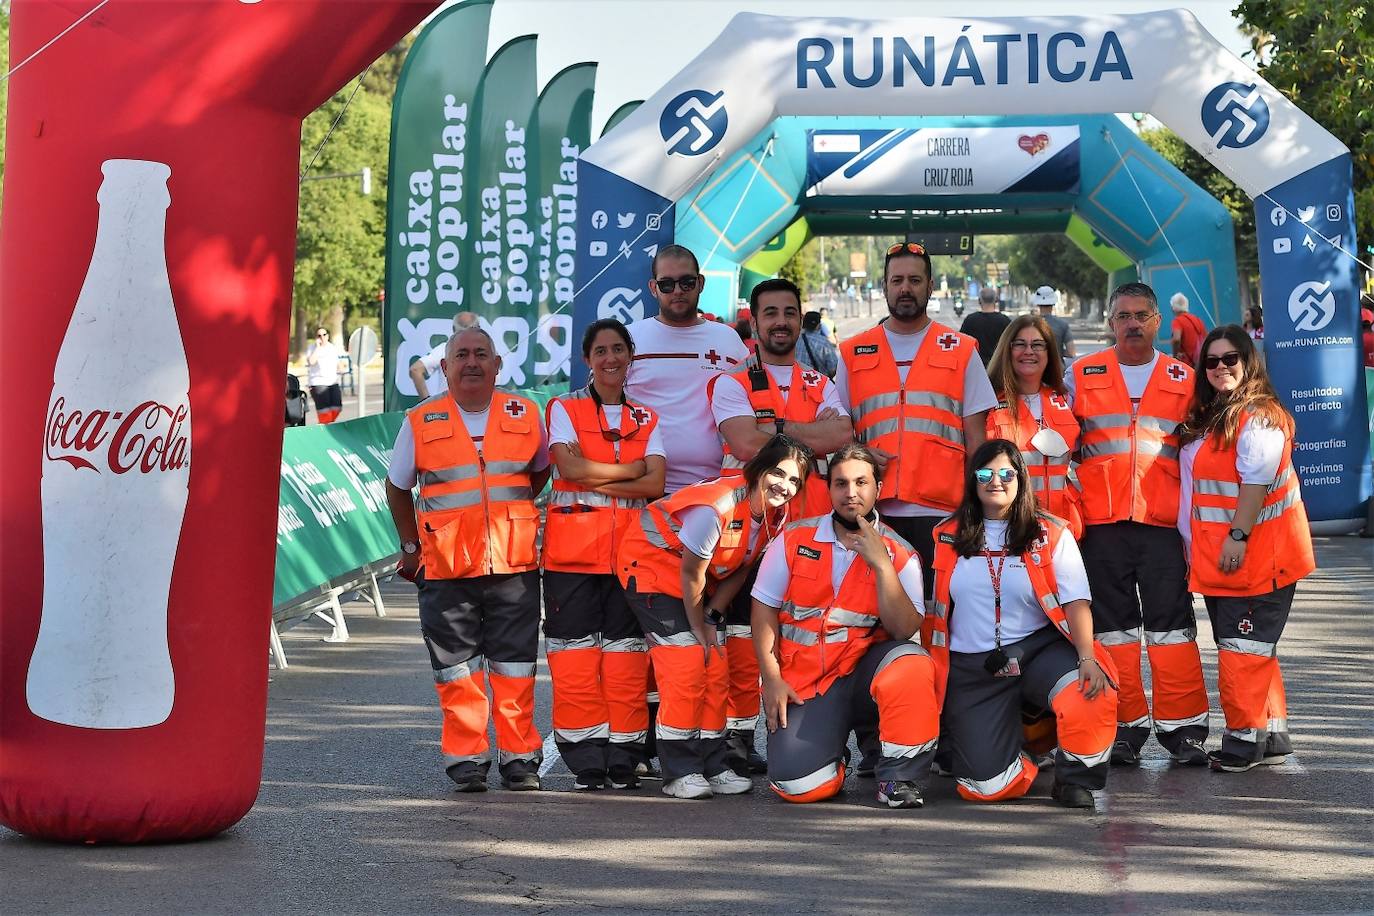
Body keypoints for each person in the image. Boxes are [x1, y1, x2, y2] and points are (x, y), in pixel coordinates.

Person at [385, 327, 552, 792]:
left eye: (482, 354)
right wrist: (411, 546)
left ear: (498, 365)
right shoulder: (421, 419)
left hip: (514, 564)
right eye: (462, 355)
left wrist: (504, 517)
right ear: (445, 368)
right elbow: (398, 487)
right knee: (457, 669)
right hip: (445, 566)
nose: (472, 362)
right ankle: (467, 760)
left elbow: (539, 472)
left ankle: (520, 760)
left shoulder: (525, 412)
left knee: (515, 667)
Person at [707, 278, 853, 774]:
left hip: (812, 534)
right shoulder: (733, 382)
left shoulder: (821, 381)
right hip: (748, 534)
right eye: (771, 313)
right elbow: (745, 445)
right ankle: (739, 737)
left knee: (811, 635)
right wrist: (804, 435)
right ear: (755, 319)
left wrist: (780, 429)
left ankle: (820, 728)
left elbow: (841, 433)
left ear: (799, 317)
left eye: (789, 312)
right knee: (746, 640)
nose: (781, 322)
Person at [615, 435, 813, 799]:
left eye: (795, 481)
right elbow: (692, 574)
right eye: (778, 474)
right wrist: (699, 626)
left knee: (716, 667)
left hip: (695, 585)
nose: (785, 487)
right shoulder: (716, 507)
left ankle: (713, 764)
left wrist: (714, 613)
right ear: (758, 470)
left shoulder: (775, 514)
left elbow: (743, 565)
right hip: (651, 571)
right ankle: (680, 772)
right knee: (688, 664)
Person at [925, 439, 1118, 808]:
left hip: (1037, 652)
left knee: (1093, 692)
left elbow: (1077, 602)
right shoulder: (944, 535)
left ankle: (1074, 779)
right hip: (973, 666)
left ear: (1021, 479)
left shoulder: (1053, 533)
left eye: (1006, 474)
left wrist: (1087, 658)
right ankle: (1024, 748)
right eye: (985, 473)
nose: (995, 481)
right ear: (972, 480)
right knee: (984, 788)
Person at [1066, 282, 1210, 766]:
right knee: (1114, 632)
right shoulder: (1080, 374)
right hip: (1101, 526)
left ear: (1157, 322)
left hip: (1162, 525)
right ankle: (1124, 729)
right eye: (1123, 315)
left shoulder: (1184, 378)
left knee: (1172, 629)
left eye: (1141, 315)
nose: (1131, 323)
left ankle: (1183, 730)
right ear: (1111, 322)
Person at [751, 442, 939, 808]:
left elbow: (904, 630)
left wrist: (881, 564)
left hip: (865, 675)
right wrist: (771, 678)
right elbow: (763, 610)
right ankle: (832, 748)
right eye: (840, 483)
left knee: (912, 663)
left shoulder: (900, 553)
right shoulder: (793, 539)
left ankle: (897, 778)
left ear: (877, 490)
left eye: (861, 483)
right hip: (809, 682)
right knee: (799, 786)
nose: (850, 493)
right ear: (829, 489)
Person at [1178, 326, 1314, 772]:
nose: (1220, 368)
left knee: (1242, 649)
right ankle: (1271, 733)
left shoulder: (1259, 417)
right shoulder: (1214, 413)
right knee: (1251, 649)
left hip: (1256, 557)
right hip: (1223, 559)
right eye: (1212, 362)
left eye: (1230, 359)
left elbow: (1254, 485)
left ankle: (1242, 742)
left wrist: (1237, 536)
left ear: (1248, 361)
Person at [543, 319, 667, 791]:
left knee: (627, 659)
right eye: (601, 351)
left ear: (630, 355)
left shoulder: (647, 417)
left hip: (630, 557)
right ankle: (585, 758)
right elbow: (567, 469)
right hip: (571, 558)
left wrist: (598, 473)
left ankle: (625, 754)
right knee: (575, 659)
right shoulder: (564, 407)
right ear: (587, 359)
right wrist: (628, 467)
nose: (610, 358)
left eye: (618, 349)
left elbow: (655, 483)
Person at [837, 241, 998, 597]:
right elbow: (839, 432)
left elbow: (977, 442)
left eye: (914, 280)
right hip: (872, 510)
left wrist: (978, 511)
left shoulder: (960, 349)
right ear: (884, 287)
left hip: (942, 512)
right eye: (897, 281)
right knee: (873, 615)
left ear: (930, 285)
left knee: (939, 614)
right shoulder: (852, 352)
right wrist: (859, 453)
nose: (905, 288)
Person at [625, 244, 749, 494]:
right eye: (667, 285)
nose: (678, 291)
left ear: (700, 283)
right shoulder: (628, 339)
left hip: (716, 489)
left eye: (687, 282)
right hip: (643, 490)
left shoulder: (728, 340)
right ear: (653, 288)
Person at [985, 315, 1084, 538]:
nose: (1029, 351)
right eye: (1020, 344)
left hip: (1061, 529)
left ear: (1049, 353)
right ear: (1007, 350)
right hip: (1009, 529)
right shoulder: (987, 403)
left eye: (1038, 345)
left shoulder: (1066, 400)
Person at [409, 311, 480, 399]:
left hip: (449, 408)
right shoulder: (487, 352)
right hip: (481, 408)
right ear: (478, 328)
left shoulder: (444, 350)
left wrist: (426, 402)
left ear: (454, 329)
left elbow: (416, 369)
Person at [959, 286, 1011, 367]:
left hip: (976, 367)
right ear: (996, 300)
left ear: (979, 301)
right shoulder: (1005, 321)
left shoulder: (970, 320)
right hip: (999, 367)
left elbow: (961, 344)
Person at [305, 327, 343, 424]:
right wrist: (318, 348)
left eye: (324, 335)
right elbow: (311, 361)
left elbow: (338, 362)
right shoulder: (312, 348)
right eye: (319, 335)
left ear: (328, 336)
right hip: (318, 382)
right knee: (324, 412)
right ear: (316, 337)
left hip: (332, 381)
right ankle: (325, 428)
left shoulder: (332, 347)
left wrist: (341, 367)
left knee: (337, 407)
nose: (322, 337)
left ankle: (326, 425)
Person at [1031, 285, 1075, 359]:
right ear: (1053, 303)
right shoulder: (1062, 325)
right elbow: (1071, 352)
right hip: (1057, 368)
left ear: (1037, 303)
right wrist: (1058, 351)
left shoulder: (1029, 324)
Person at [798, 310, 840, 378]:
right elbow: (833, 368)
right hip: (818, 384)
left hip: (797, 383)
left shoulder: (794, 340)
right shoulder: (824, 342)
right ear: (818, 325)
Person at [1169, 292, 1206, 365]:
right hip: (1200, 362)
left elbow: (1176, 339)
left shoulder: (1177, 321)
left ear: (1173, 308)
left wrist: (1175, 356)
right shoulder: (1198, 320)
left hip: (1187, 363)